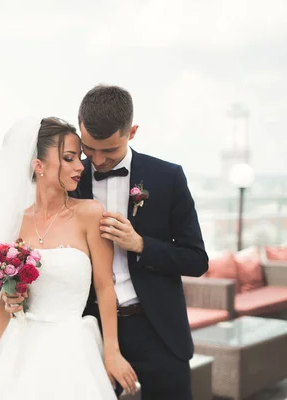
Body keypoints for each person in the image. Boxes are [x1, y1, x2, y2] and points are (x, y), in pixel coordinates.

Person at [52, 84, 207, 399]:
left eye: (108, 151)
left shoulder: (168, 177)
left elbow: (196, 259)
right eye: (88, 148)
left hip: (158, 331)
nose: (96, 160)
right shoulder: (67, 180)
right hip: (89, 330)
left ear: (132, 132)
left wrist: (140, 244)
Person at [0, 117, 138, 399]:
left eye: (79, 158)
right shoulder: (18, 222)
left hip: (72, 350)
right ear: (39, 166)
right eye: (69, 158)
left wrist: (112, 350)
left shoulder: (90, 213)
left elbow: (104, 286)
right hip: (22, 347)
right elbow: (7, 292)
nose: (80, 166)